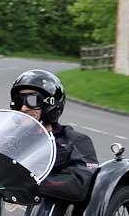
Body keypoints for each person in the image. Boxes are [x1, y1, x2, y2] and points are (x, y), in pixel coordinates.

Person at [10, 69, 99, 202]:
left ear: (51, 105)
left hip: (53, 212)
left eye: (32, 100)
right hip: (7, 211)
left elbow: (80, 184)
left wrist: (32, 183)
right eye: (18, 101)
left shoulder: (75, 141)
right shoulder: (11, 141)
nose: (23, 108)